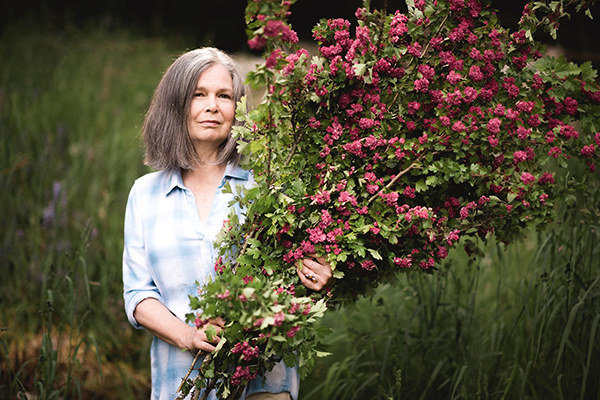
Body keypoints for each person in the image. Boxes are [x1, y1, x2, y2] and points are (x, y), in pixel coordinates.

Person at [122, 47, 333, 400]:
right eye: (198, 94)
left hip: (263, 382)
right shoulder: (145, 195)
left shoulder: (266, 189)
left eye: (224, 96)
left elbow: (292, 278)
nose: (212, 106)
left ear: (237, 109)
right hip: (182, 383)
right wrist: (187, 335)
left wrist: (318, 276)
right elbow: (138, 295)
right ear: (176, 104)